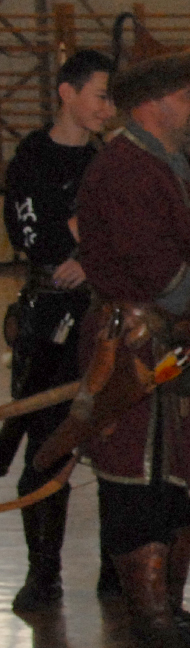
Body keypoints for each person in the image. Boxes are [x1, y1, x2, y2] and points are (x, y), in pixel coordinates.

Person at [70, 51, 190, 648]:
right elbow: (157, 271)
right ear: (150, 102)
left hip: (182, 344)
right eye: (189, 95)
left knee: (175, 481)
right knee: (134, 482)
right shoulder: (122, 169)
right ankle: (151, 625)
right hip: (133, 346)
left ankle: (171, 610)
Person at [4, 49, 115, 612]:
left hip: (102, 319)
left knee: (113, 439)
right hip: (49, 323)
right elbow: (35, 240)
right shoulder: (32, 158)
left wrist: (91, 256)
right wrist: (83, 228)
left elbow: (125, 235)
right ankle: (42, 572)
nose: (107, 109)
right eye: (100, 96)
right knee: (46, 445)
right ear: (67, 93)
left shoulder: (107, 159)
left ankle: (118, 568)